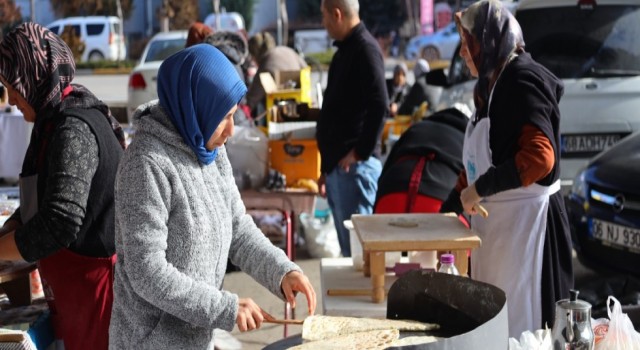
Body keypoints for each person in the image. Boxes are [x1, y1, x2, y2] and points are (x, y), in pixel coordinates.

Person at [108, 45, 316, 348]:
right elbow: (146, 271)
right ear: (196, 108)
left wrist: (281, 271)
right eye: (224, 117)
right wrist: (223, 308)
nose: (231, 130)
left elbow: (238, 229)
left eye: (233, 115)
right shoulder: (145, 163)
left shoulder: (210, 150)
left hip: (195, 339)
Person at [440, 0, 573, 337]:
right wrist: (449, 207)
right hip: (500, 237)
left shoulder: (521, 80)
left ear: (490, 42)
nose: (464, 53)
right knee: (497, 329)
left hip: (530, 235)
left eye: (469, 43)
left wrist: (480, 189)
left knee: (526, 332)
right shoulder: (492, 87)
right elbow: (482, 160)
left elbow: (540, 158)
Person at [0, 23, 125, 350]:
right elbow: (36, 209)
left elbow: (60, 220)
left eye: (13, 86)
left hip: (100, 295)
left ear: (34, 75)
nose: (11, 99)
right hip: (72, 292)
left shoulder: (73, 128)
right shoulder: (51, 122)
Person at [317, 0, 389, 257]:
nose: (323, 23)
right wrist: (326, 167)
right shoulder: (347, 51)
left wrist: (360, 152)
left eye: (324, 16)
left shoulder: (364, 49)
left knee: (361, 256)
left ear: (337, 14)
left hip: (354, 169)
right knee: (352, 256)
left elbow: (380, 104)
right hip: (341, 168)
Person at [245, 31, 308, 115]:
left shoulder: (266, 65)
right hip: (303, 102)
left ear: (255, 54)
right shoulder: (286, 49)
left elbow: (251, 100)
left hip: (283, 112)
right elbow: (306, 68)